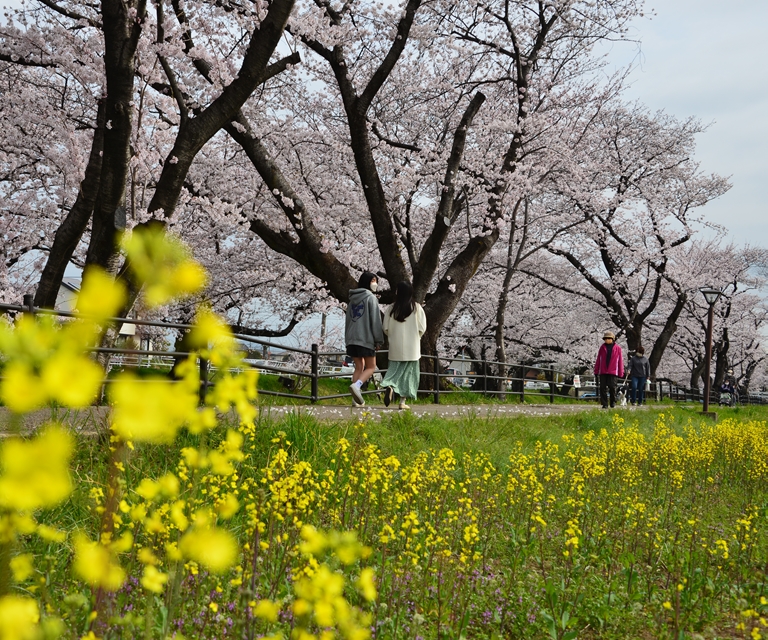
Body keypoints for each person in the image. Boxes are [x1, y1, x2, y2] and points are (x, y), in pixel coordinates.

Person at [380, 281, 427, 410]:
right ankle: (402, 402)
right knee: (409, 375)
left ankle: (390, 385)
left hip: (395, 347)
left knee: (394, 370)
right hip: (412, 348)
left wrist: (392, 336)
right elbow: (422, 328)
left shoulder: (391, 308)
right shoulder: (416, 308)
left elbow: (385, 327)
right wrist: (416, 337)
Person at [345, 271, 384, 406]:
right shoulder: (370, 298)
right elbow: (376, 321)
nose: (375, 283)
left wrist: (347, 339)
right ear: (367, 282)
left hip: (352, 339)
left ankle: (355, 401)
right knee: (371, 367)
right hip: (365, 338)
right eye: (373, 280)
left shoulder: (351, 300)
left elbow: (348, 321)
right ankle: (357, 386)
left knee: (359, 367)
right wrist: (378, 340)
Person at [593, 330, 624, 409]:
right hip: (603, 371)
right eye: (605, 338)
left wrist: (621, 372)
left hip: (613, 371)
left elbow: (620, 361)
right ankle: (604, 403)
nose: (607, 340)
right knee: (602, 387)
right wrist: (596, 370)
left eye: (609, 338)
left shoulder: (617, 348)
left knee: (612, 387)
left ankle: (613, 401)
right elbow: (598, 360)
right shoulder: (602, 348)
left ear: (612, 339)